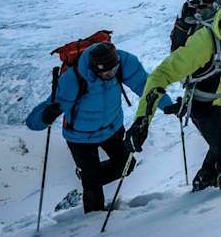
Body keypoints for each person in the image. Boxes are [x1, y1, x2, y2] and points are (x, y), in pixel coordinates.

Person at [124, 0, 221, 191]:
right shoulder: (203, 45)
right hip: (203, 107)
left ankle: (202, 188)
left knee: (220, 150)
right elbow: (160, 75)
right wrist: (142, 120)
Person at [26, 41, 174, 213]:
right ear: (94, 68)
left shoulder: (123, 63)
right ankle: (92, 225)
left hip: (112, 128)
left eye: (114, 69)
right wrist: (43, 118)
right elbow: (38, 116)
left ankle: (89, 176)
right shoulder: (73, 79)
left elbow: (145, 86)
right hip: (79, 137)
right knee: (93, 188)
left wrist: (167, 105)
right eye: (106, 72)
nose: (112, 74)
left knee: (126, 164)